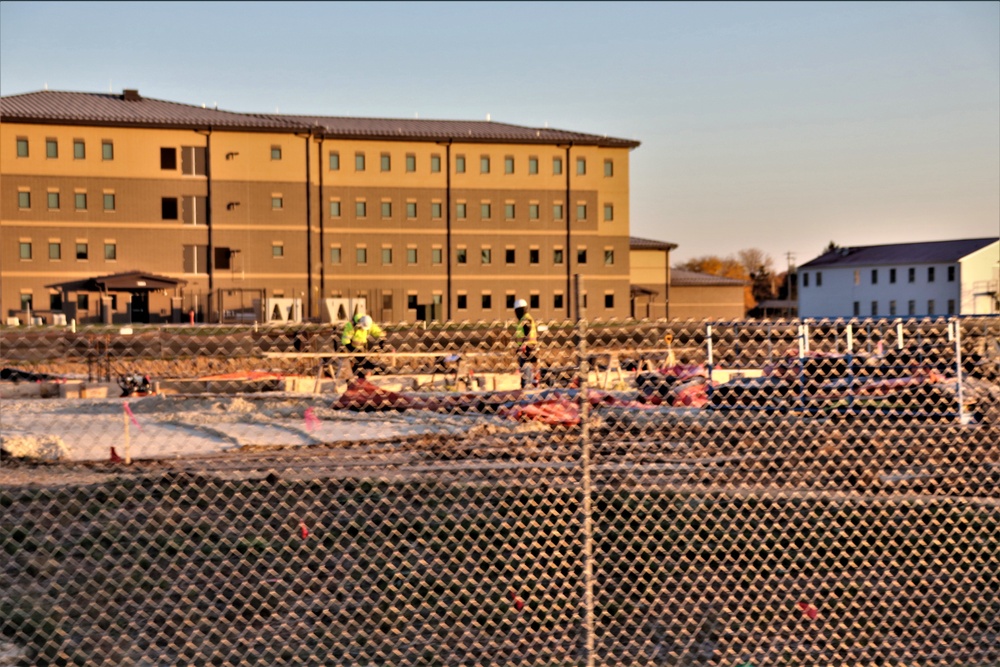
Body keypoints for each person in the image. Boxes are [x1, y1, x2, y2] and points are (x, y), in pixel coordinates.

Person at [341, 313, 385, 378]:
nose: (364, 329)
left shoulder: (368, 323)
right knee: (360, 364)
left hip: (363, 347)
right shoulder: (351, 325)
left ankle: (362, 378)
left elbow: (377, 331)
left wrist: (382, 338)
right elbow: (345, 340)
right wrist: (351, 350)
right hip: (352, 347)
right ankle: (362, 377)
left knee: (362, 364)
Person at [512, 298, 539, 389]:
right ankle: (529, 385)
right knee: (528, 368)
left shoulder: (525, 319)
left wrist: (523, 345)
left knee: (526, 368)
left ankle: (526, 386)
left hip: (527, 348)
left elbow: (527, 331)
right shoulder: (528, 318)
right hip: (531, 346)